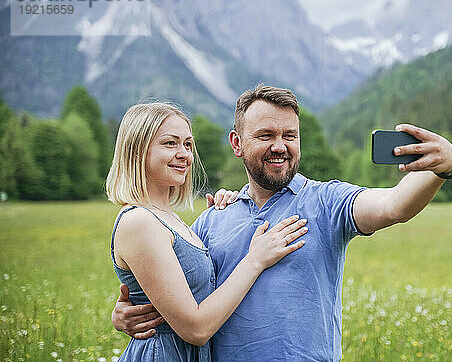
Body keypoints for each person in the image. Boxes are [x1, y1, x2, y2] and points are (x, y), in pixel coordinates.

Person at [112, 85, 452, 361]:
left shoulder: (327, 201)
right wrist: (129, 313)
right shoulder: (211, 219)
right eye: (265, 135)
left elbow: (394, 206)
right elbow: (180, 291)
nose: (280, 146)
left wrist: (444, 167)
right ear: (237, 143)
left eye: (289, 136)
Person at [106, 102, 308, 361]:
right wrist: (256, 259)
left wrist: (231, 205)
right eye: (170, 143)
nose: (184, 154)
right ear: (136, 151)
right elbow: (197, 328)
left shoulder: (170, 219)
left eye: (188, 144)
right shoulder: (139, 222)